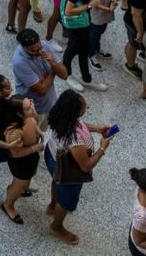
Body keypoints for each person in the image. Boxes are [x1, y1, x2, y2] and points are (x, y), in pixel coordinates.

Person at [44, 89, 112, 245]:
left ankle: (52, 205)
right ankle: (57, 226)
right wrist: (102, 148)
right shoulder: (73, 138)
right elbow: (86, 166)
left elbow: (80, 125)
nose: (86, 108)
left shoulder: (60, 116)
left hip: (52, 155)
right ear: (74, 112)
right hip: (68, 170)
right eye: (83, 107)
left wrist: (97, 128)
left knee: (56, 181)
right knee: (67, 201)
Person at [12, 27, 68, 115]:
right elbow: (41, 90)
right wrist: (53, 69)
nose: (39, 52)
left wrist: (53, 63)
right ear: (23, 47)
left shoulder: (44, 45)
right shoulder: (19, 62)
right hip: (33, 110)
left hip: (50, 102)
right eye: (34, 51)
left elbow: (64, 75)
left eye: (40, 48)